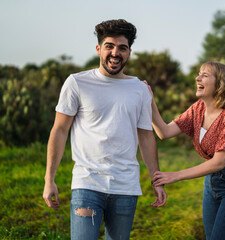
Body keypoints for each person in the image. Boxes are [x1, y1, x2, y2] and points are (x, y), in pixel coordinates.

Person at [42, 19, 167, 240]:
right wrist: (49, 179)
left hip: (125, 187)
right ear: (99, 49)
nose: (115, 53)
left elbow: (147, 137)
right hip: (87, 183)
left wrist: (156, 180)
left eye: (122, 47)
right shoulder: (77, 83)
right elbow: (59, 130)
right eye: (109, 46)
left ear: (129, 52)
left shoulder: (140, 89)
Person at [145, 61, 225, 240]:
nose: (197, 78)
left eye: (205, 75)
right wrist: (149, 101)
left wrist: (175, 175)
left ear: (220, 83)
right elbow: (164, 132)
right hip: (212, 183)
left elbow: (219, 162)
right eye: (198, 74)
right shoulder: (198, 108)